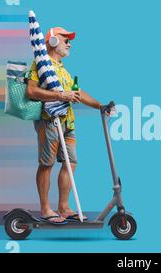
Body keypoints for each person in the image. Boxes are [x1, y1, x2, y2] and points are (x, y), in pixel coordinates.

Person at [26, 27, 101, 224]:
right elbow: (31, 91)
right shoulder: (39, 65)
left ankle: (64, 208)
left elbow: (79, 94)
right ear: (51, 41)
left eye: (70, 40)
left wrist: (100, 106)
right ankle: (45, 209)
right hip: (49, 121)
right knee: (47, 163)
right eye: (65, 39)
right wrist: (60, 95)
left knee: (71, 162)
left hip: (68, 122)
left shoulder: (64, 71)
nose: (69, 43)